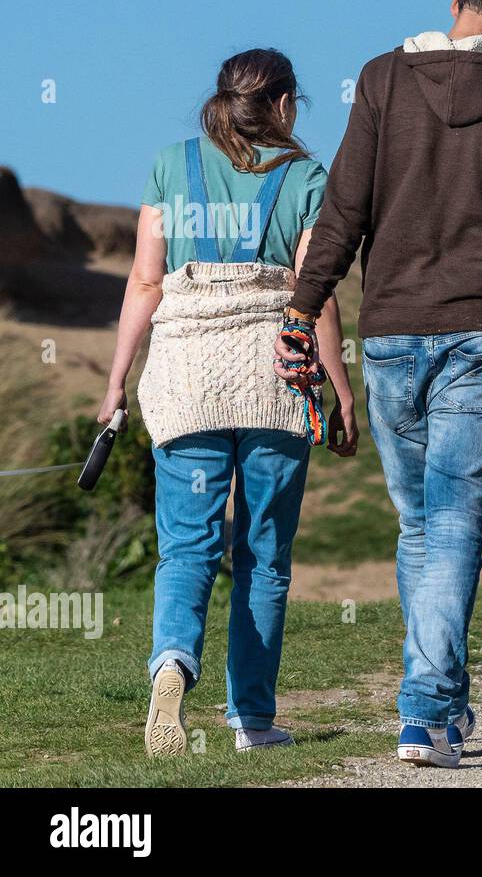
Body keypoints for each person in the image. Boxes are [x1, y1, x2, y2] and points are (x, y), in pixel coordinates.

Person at [273, 0, 482, 769]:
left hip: (392, 331)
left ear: (458, 4)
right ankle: (426, 711)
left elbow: (345, 207)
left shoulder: (382, 78)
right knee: (451, 523)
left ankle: (437, 703)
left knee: (421, 525)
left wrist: (303, 309)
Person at [97, 48, 357, 757]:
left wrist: (116, 382)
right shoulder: (303, 175)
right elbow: (317, 290)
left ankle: (173, 666)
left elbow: (145, 284)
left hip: (186, 377)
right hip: (274, 376)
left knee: (186, 547)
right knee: (264, 555)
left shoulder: (169, 164)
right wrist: (340, 389)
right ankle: (253, 719)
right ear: (281, 106)